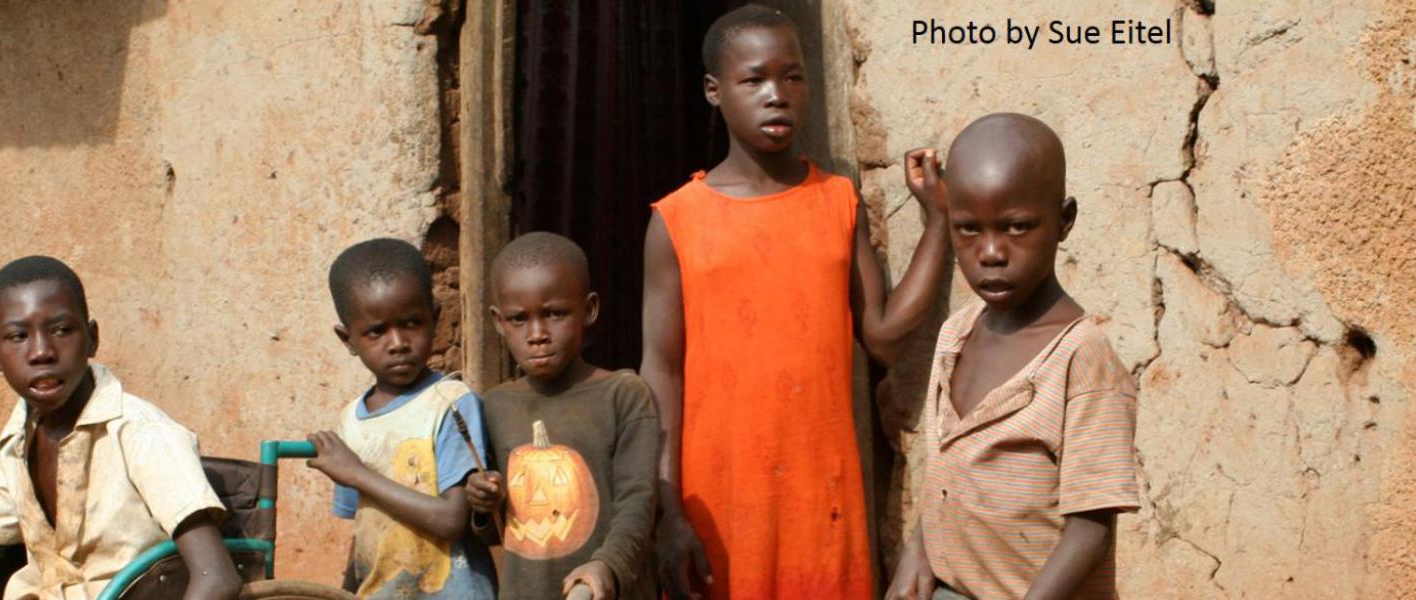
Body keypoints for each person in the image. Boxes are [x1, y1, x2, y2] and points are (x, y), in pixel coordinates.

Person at [642, 5, 953, 598]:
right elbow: (660, 370)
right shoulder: (677, 220)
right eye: (753, 79)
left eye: (793, 76)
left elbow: (883, 336)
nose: (776, 95)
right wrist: (667, 508)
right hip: (718, 501)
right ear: (714, 90)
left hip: (822, 496)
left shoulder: (838, 202)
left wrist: (938, 223)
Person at [884, 113, 1141, 600]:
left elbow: (1091, 529)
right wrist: (918, 548)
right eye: (967, 230)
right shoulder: (957, 333)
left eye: (1017, 227)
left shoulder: (1081, 360)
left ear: (1064, 221)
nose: (991, 252)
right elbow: (950, 468)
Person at [0, 255, 240, 600]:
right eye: (18, 336)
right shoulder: (15, 439)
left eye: (62, 330)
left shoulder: (142, 433)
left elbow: (217, 578)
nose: (41, 352)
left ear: (92, 338)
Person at [464, 232, 662, 600]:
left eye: (555, 313)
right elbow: (501, 531)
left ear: (588, 310)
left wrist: (605, 568)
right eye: (519, 319)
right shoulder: (494, 406)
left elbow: (638, 503)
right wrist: (481, 506)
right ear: (497, 321)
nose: (537, 334)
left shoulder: (623, 396)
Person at [305, 238, 497, 598]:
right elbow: (365, 528)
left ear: (436, 318)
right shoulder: (352, 420)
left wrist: (356, 473)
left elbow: (452, 519)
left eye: (412, 323)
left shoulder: (451, 403)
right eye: (376, 331)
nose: (397, 342)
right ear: (347, 340)